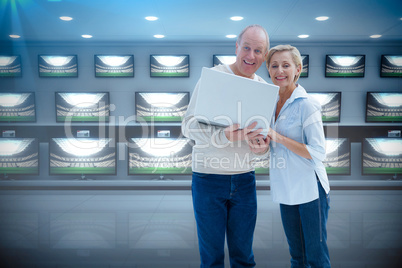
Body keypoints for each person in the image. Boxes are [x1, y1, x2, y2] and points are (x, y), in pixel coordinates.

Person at [181, 24, 270, 267]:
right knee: (211, 259)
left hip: (245, 179)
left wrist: (261, 149)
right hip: (208, 179)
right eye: (246, 48)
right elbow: (188, 126)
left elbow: (260, 142)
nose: (251, 56)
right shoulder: (213, 78)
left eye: (258, 51)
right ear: (237, 47)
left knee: (244, 257)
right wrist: (224, 137)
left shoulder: (264, 89)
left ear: (265, 55)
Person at [257, 44, 331, 267]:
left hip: (311, 190)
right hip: (286, 188)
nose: (280, 71)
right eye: (274, 66)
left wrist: (276, 136)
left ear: (298, 69)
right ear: (268, 70)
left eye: (286, 65)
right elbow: (271, 142)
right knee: (297, 256)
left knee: (316, 257)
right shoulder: (269, 104)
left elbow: (317, 153)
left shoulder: (307, 106)